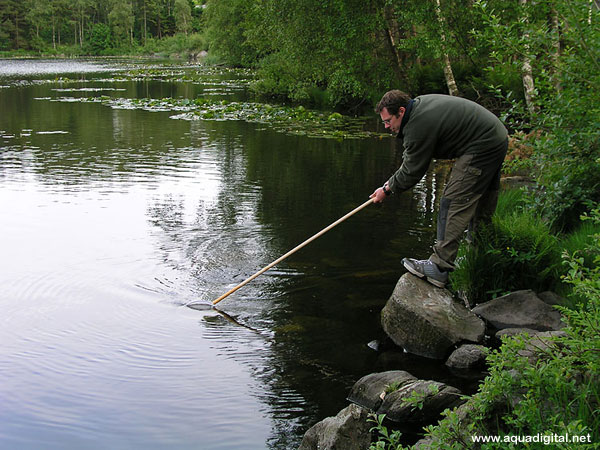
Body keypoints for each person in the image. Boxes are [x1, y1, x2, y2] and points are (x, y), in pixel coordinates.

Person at [370, 90, 508, 288]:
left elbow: (412, 170)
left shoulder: (417, 124)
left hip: (482, 144)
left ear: (401, 111)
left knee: (452, 202)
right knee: (481, 203)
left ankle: (440, 267)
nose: (386, 127)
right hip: (497, 138)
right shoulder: (418, 108)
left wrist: (387, 189)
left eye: (388, 121)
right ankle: (479, 257)